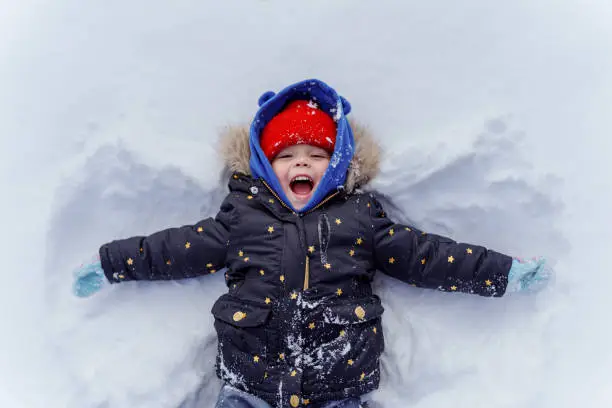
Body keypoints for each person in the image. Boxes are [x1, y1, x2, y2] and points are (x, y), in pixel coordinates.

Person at [73, 79, 551, 408]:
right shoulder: (241, 217)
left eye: (317, 154)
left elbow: (425, 256)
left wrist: (500, 272)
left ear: (338, 162)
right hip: (251, 386)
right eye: (287, 155)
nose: (301, 164)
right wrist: (112, 262)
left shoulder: (361, 218)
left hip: (339, 384)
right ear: (264, 164)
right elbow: (175, 248)